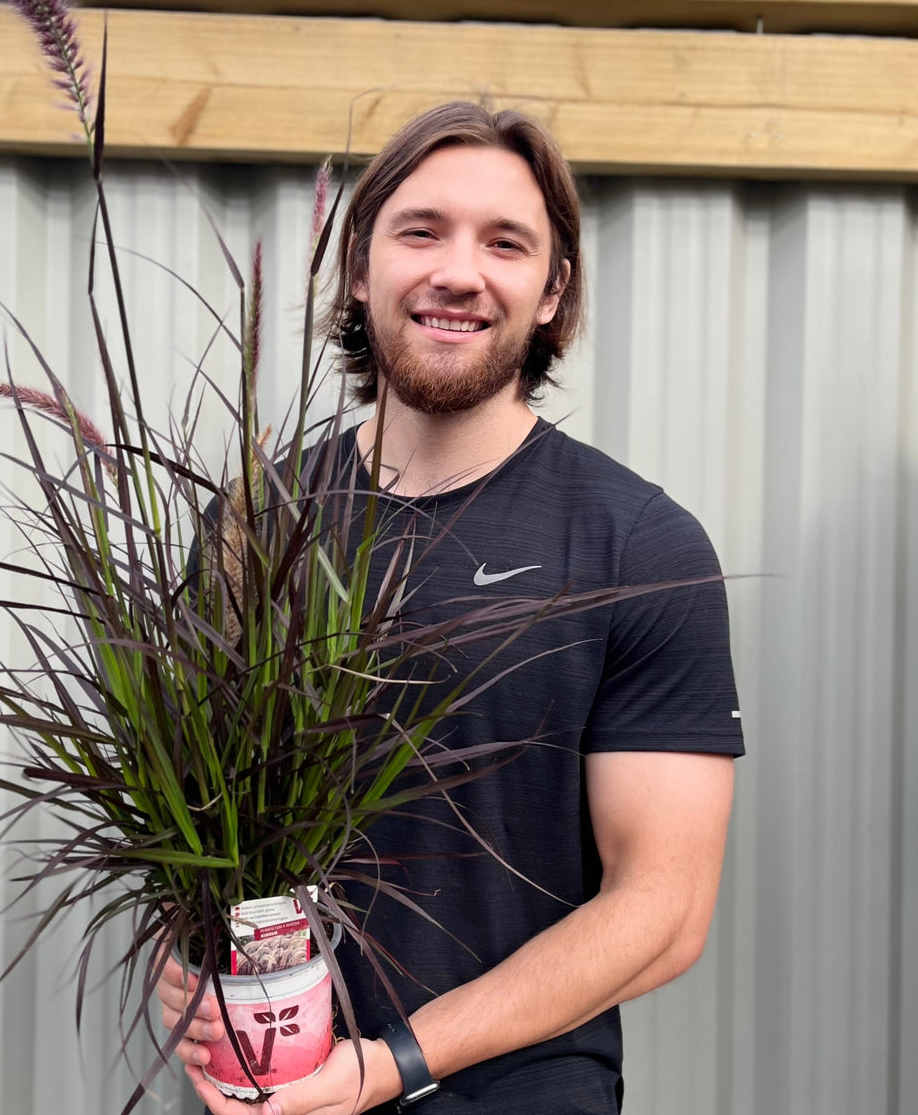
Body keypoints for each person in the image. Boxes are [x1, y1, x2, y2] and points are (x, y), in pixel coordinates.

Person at [158, 101, 744, 1115]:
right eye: (421, 230)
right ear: (358, 266)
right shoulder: (253, 524)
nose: (458, 271)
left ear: (554, 293)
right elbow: (190, 816)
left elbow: (664, 910)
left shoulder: (638, 546)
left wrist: (388, 1065)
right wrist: (187, 957)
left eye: (505, 243)